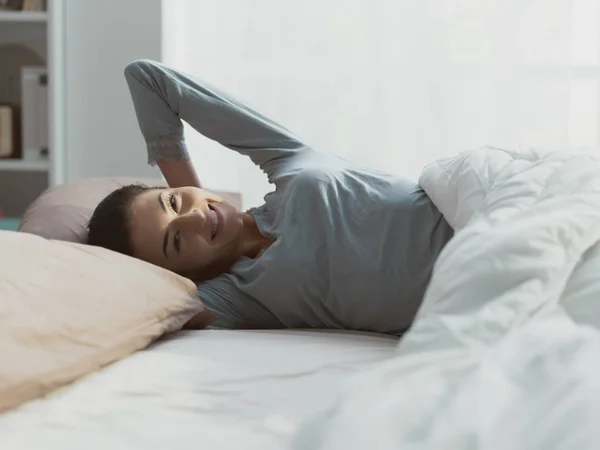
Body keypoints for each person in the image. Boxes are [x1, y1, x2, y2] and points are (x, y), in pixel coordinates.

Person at [87, 60, 454, 335]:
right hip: (472, 292)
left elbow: (147, 79)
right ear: (187, 274)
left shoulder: (287, 162)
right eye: (176, 241)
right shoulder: (238, 295)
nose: (195, 218)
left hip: (481, 215)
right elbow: (139, 316)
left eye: (172, 203)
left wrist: (192, 189)